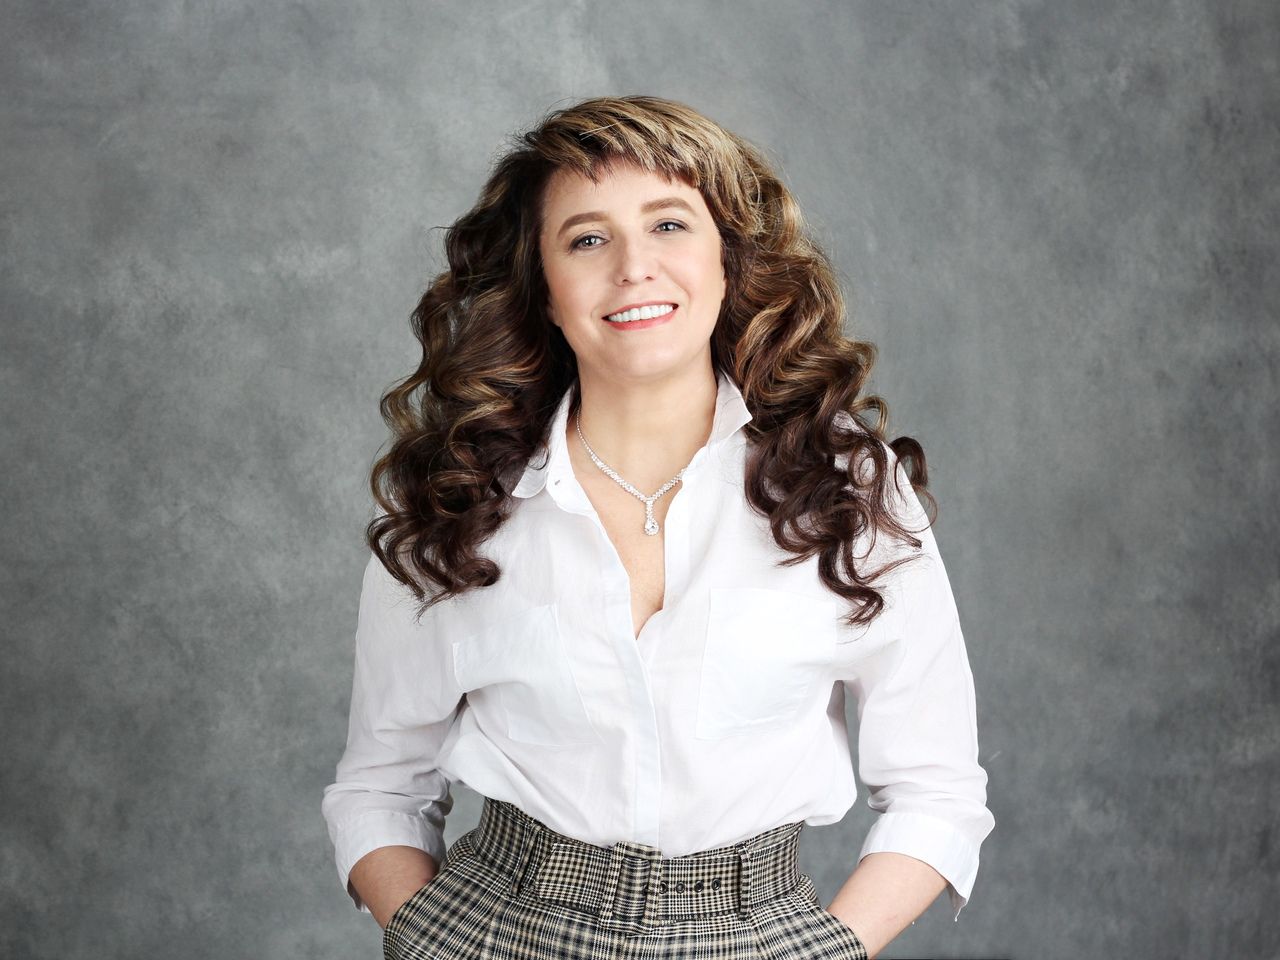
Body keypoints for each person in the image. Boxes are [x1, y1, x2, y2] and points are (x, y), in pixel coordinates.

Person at [321, 95, 994, 960]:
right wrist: (430, 939)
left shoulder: (847, 490)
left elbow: (937, 791)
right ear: (544, 290)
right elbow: (380, 785)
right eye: (587, 239)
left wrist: (823, 953)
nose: (634, 268)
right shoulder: (456, 500)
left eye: (669, 224)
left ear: (728, 261)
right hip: (498, 925)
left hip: (759, 935)